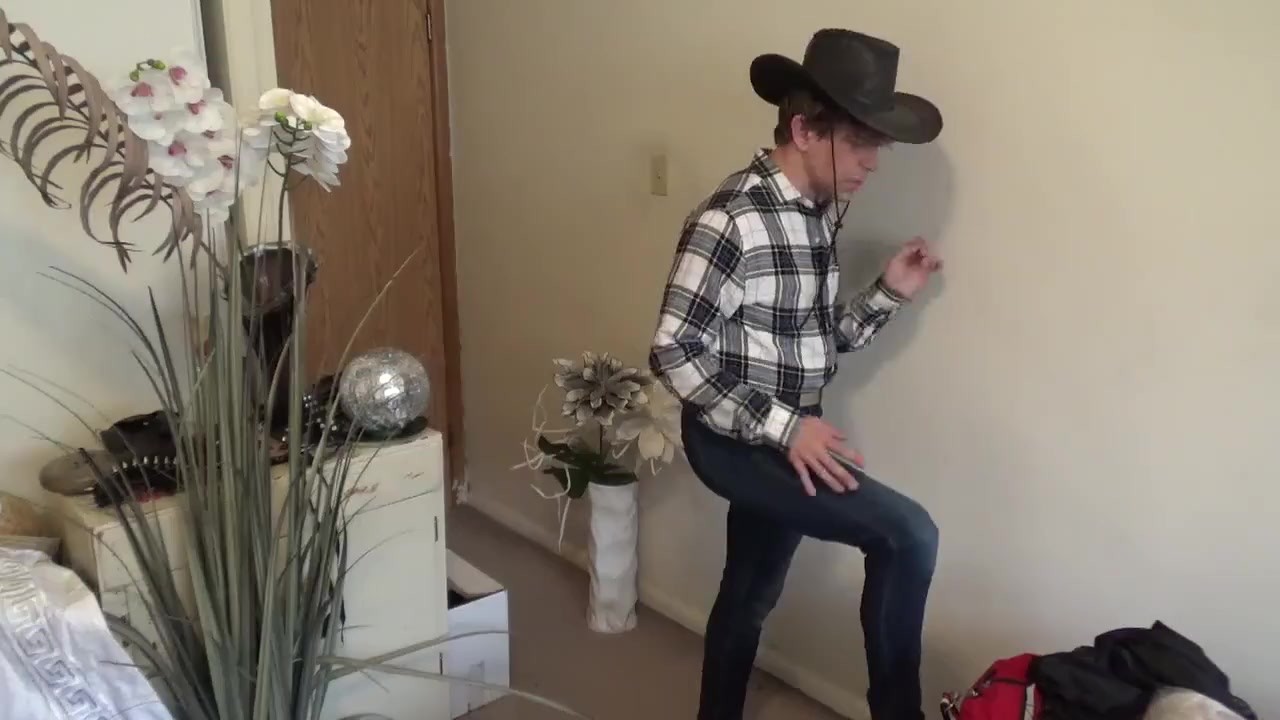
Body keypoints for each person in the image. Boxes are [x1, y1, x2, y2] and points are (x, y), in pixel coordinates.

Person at [648, 28, 945, 720]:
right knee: (909, 535)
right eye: (861, 143)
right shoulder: (730, 220)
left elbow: (815, 343)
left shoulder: (816, 215)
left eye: (878, 146)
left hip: (787, 431)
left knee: (750, 592)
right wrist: (786, 430)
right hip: (733, 440)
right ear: (806, 130)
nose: (873, 164)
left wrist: (889, 292)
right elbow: (673, 351)